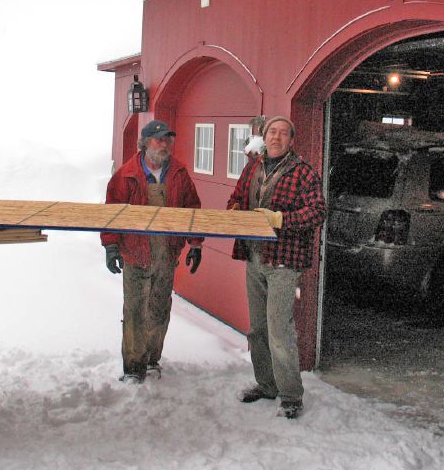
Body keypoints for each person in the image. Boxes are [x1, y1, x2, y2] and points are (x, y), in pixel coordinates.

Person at [227, 115, 326, 419]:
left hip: (284, 261)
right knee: (257, 328)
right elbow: (237, 198)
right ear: (264, 135)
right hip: (255, 257)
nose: (277, 137)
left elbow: (318, 211)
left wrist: (281, 219)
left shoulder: (304, 173)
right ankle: (266, 384)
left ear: (291, 140)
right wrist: (233, 211)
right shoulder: (253, 167)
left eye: (284, 133)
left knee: (279, 331)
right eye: (273, 132)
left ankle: (291, 396)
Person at [101, 120, 203, 383]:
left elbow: (192, 210)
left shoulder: (179, 173)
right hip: (135, 254)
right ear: (144, 143)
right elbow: (112, 214)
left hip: (166, 254)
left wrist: (195, 244)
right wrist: (111, 246)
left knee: (159, 309)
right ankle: (133, 368)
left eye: (168, 139)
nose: (165, 144)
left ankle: (151, 359)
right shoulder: (125, 175)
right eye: (159, 139)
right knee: (135, 311)